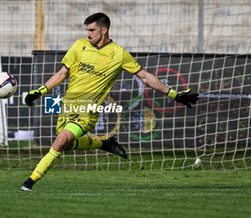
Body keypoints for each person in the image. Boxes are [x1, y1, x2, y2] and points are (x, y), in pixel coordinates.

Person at [20, 12, 198, 191]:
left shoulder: (118, 54)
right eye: (87, 30)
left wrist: (175, 95)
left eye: (92, 30)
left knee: (60, 141)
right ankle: (104, 143)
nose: (88, 34)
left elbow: (145, 77)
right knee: (65, 144)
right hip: (68, 106)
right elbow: (62, 74)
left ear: (104, 30)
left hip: (87, 112)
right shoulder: (79, 46)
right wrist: (38, 92)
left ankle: (30, 182)